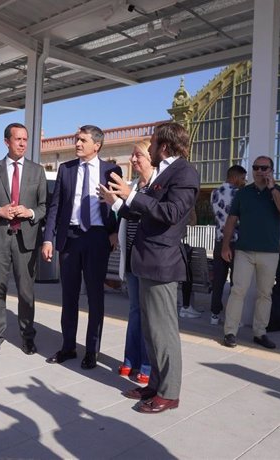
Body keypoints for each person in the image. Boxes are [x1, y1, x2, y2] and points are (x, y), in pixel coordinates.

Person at [104, 121, 200, 414]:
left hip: (162, 262)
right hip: (146, 261)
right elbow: (145, 210)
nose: (151, 147)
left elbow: (170, 213)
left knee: (164, 331)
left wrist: (130, 196)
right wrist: (120, 202)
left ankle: (170, 393)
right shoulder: (164, 172)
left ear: (165, 146)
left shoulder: (184, 173)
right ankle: (156, 384)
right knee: (151, 330)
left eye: (154, 142)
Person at [42, 125, 122, 370]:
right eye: (77, 139)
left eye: (82, 140)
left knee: (96, 297)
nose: (77, 144)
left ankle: (92, 351)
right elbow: (54, 207)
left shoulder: (111, 170)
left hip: (97, 238)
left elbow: (121, 204)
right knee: (69, 296)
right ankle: (68, 346)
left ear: (96, 145)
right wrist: (48, 238)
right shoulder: (66, 169)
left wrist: (114, 232)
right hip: (70, 238)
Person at [0, 123, 47, 359]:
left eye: (25, 139)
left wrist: (31, 213)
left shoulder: (37, 171)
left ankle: (28, 337)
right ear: (6, 141)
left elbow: (44, 206)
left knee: (26, 293)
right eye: (18, 139)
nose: (23, 143)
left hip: (26, 241)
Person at [221, 155, 280, 349]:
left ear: (271, 170)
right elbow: (231, 220)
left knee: (265, 294)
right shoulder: (243, 193)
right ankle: (230, 332)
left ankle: (260, 333)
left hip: (270, 252)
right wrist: (225, 245)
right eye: (256, 167)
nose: (259, 171)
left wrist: (272, 189)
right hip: (244, 250)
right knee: (238, 291)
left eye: (264, 168)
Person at [112, 141, 154, 384]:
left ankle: (147, 365)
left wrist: (120, 201)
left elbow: (145, 212)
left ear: (151, 157)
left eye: (138, 155)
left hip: (148, 258)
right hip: (130, 256)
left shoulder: (157, 186)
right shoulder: (132, 185)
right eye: (133, 155)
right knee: (135, 311)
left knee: (148, 314)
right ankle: (131, 360)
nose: (133, 159)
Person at [209, 165, 246, 325]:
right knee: (235, 282)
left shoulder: (214, 193)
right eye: (243, 178)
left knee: (218, 281)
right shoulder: (239, 194)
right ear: (235, 177)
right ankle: (232, 317)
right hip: (236, 242)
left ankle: (214, 315)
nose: (244, 181)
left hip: (219, 241)